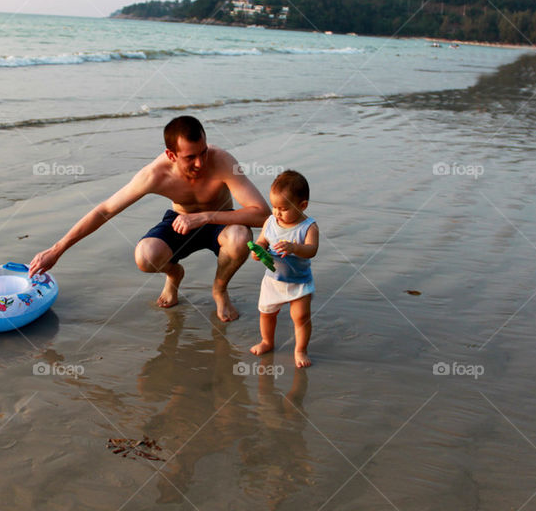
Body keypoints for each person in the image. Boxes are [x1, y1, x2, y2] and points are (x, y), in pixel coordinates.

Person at [28, 116, 269, 322]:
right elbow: (105, 210)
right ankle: (174, 274)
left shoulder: (222, 161)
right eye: (190, 157)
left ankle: (219, 289)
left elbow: (261, 213)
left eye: (204, 152)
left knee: (240, 237)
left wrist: (205, 216)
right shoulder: (154, 175)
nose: (200, 162)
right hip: (180, 222)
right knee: (145, 257)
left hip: (219, 224)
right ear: (171, 155)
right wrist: (57, 249)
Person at [249, 170, 318, 367]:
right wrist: (258, 250)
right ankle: (267, 341)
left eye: (284, 208)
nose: (277, 212)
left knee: (301, 317)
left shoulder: (308, 227)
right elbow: (262, 240)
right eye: (274, 206)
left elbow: (312, 250)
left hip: (299, 282)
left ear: (302, 205)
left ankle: (300, 350)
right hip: (273, 281)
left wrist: (295, 247)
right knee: (267, 313)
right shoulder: (271, 222)